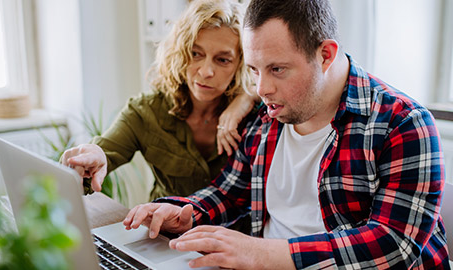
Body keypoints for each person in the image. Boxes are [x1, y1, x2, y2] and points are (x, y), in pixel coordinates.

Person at [122, 0, 450, 269]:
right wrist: (184, 213)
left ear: (325, 55)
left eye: (277, 69)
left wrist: (262, 253)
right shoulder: (268, 116)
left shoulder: (403, 122)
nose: (261, 89)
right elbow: (229, 192)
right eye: (253, 69)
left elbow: (394, 245)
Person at [61, 0, 256, 200]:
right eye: (195, 53)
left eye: (222, 60)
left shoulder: (255, 114)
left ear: (241, 63)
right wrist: (92, 158)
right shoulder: (146, 112)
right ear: (180, 52)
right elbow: (105, 150)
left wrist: (247, 98)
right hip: (163, 229)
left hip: (233, 230)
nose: (206, 71)